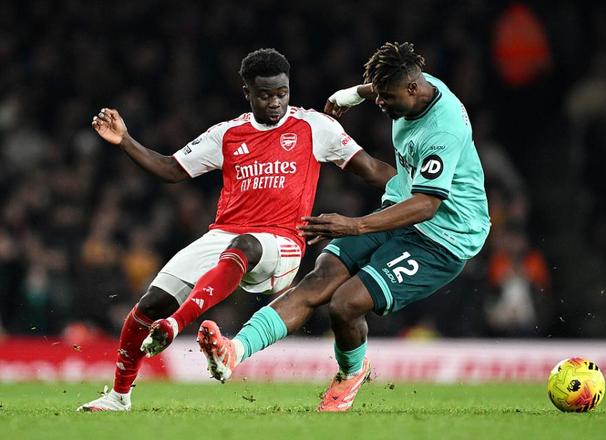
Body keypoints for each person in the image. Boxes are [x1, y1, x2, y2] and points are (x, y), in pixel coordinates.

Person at [76, 48, 395, 411]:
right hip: (225, 235)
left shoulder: (315, 127)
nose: (275, 102)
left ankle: (175, 325)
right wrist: (125, 140)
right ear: (247, 92)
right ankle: (119, 397)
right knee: (151, 303)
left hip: (282, 243)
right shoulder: (226, 134)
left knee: (245, 245)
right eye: (265, 95)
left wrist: (419, 191)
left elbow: (371, 170)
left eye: (282, 93)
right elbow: (171, 169)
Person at [194, 41, 491, 412]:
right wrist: (351, 95)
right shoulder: (413, 83)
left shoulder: (442, 131)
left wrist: (354, 225)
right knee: (320, 277)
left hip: (444, 236)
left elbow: (427, 205)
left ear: (413, 89)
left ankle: (351, 374)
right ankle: (234, 351)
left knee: (345, 303)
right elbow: (380, 88)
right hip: (403, 205)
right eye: (379, 94)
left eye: (387, 97)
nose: (381, 103)